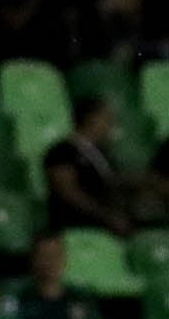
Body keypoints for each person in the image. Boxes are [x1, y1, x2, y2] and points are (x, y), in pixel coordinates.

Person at [44, 98, 133, 236]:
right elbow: (68, 192)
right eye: (105, 119)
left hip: (105, 225)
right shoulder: (62, 151)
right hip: (76, 225)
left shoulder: (103, 154)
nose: (110, 125)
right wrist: (106, 216)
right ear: (91, 119)